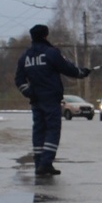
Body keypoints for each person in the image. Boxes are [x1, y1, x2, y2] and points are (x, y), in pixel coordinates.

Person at [14, 24, 90, 176]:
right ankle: (46, 163)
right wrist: (81, 72)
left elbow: (19, 79)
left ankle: (38, 163)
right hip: (50, 98)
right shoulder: (51, 53)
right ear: (45, 36)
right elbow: (67, 68)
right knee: (52, 130)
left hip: (35, 99)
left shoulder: (25, 56)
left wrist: (28, 92)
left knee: (39, 130)